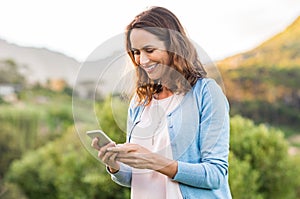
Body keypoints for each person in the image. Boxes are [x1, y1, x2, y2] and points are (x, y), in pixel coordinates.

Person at [91, 6, 232, 198]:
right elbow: (137, 177)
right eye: (136, 52)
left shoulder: (206, 93)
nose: (142, 60)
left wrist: (153, 161)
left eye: (149, 50)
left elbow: (215, 175)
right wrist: (114, 165)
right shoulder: (140, 102)